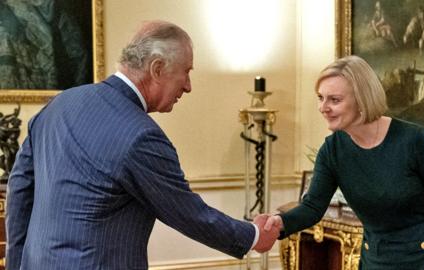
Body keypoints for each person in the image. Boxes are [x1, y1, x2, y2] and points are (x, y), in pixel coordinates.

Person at [6, 20, 279, 269]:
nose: (188, 86)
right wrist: (253, 236)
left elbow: (19, 191)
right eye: (186, 72)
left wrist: (17, 263)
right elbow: (187, 212)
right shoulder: (141, 136)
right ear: (157, 68)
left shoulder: (59, 104)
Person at [262, 55, 424, 269]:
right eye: (321, 97)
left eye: (334, 100)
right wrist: (282, 223)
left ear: (362, 100)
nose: (323, 107)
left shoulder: (413, 140)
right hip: (375, 259)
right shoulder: (332, 150)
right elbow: (313, 207)